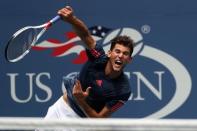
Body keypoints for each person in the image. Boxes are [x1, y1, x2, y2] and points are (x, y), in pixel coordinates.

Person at [44, 6, 134, 120]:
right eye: (117, 51)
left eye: (125, 54)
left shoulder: (123, 90)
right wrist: (72, 19)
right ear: (109, 53)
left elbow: (99, 120)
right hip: (60, 108)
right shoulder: (98, 57)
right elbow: (85, 35)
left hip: (81, 123)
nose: (120, 56)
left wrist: (81, 101)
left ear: (129, 60)